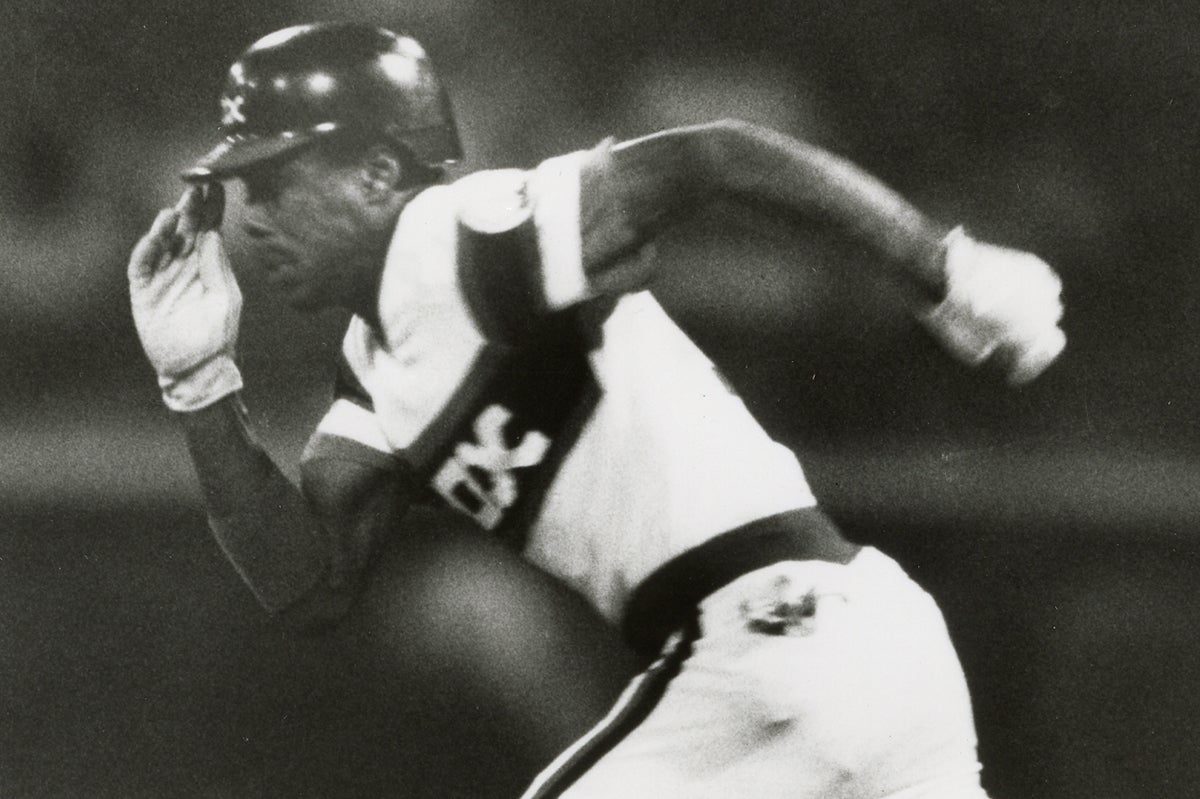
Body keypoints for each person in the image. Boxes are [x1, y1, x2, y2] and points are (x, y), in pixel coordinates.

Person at [127, 21, 1065, 799]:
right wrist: (201, 384)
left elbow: (714, 157)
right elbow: (313, 582)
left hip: (768, 648)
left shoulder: (453, 236)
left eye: (278, 182)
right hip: (867, 647)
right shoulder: (375, 364)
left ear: (378, 172)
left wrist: (943, 268)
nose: (253, 218)